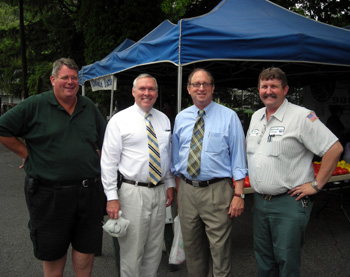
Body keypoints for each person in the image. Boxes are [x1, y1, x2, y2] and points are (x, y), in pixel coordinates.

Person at [0, 58, 107, 276]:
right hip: (48, 194)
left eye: (74, 78)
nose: (70, 82)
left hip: (89, 192)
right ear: (53, 79)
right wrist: (26, 153)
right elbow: (3, 129)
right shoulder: (35, 105)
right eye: (65, 77)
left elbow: (105, 144)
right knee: (53, 253)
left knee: (85, 251)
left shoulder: (89, 107)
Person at [246, 67, 343, 276]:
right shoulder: (256, 117)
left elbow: (334, 149)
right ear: (258, 89)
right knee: (263, 257)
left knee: (286, 259)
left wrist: (317, 185)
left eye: (274, 86)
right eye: (264, 86)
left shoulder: (301, 116)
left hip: (288, 203)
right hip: (260, 202)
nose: (268, 91)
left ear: (285, 89)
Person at [171, 68, 247, 276]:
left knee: (219, 251)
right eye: (196, 84)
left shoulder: (229, 117)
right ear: (188, 89)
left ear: (213, 88)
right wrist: (179, 192)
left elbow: (239, 159)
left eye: (206, 84)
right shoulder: (181, 118)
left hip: (217, 190)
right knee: (193, 250)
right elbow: (176, 160)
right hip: (187, 191)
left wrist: (238, 194)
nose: (201, 88)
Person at [101, 73, 175, 277]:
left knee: (153, 250)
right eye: (142, 89)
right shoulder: (119, 120)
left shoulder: (163, 120)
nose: (147, 93)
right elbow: (108, 162)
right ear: (133, 92)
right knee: (132, 252)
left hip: (159, 191)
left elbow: (165, 156)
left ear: (157, 93)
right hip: (132, 192)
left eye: (151, 89)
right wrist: (112, 197)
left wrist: (169, 183)